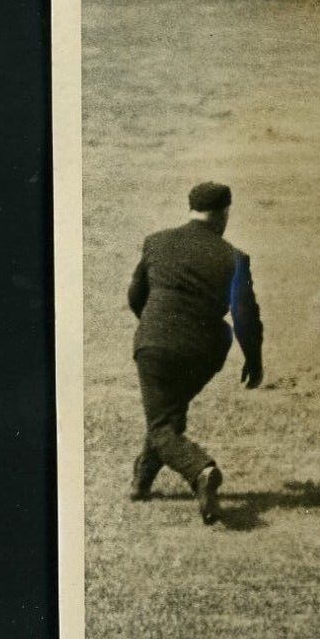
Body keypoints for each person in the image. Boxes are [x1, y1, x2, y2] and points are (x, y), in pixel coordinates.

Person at [126, 181, 265, 523]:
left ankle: (201, 470)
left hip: (155, 345)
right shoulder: (234, 258)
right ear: (224, 214)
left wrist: (157, 326)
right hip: (204, 349)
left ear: (191, 209)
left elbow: (135, 295)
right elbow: (245, 317)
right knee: (169, 416)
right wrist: (254, 359)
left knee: (161, 426)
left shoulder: (156, 242)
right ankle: (141, 482)